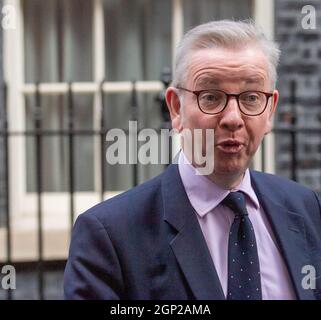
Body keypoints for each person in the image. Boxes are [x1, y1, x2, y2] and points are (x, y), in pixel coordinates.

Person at [64, 20, 321, 300]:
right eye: (210, 97)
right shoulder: (110, 236)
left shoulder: (307, 208)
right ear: (176, 108)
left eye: (250, 97)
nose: (233, 118)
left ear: (270, 110)